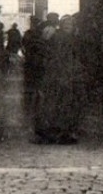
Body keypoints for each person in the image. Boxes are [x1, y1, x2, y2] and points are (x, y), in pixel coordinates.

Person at [35, 14, 82, 143]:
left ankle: (58, 133)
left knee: (61, 104)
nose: (69, 27)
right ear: (61, 26)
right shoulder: (60, 38)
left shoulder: (70, 38)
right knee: (57, 104)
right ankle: (58, 133)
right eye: (66, 25)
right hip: (59, 75)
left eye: (71, 25)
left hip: (64, 75)